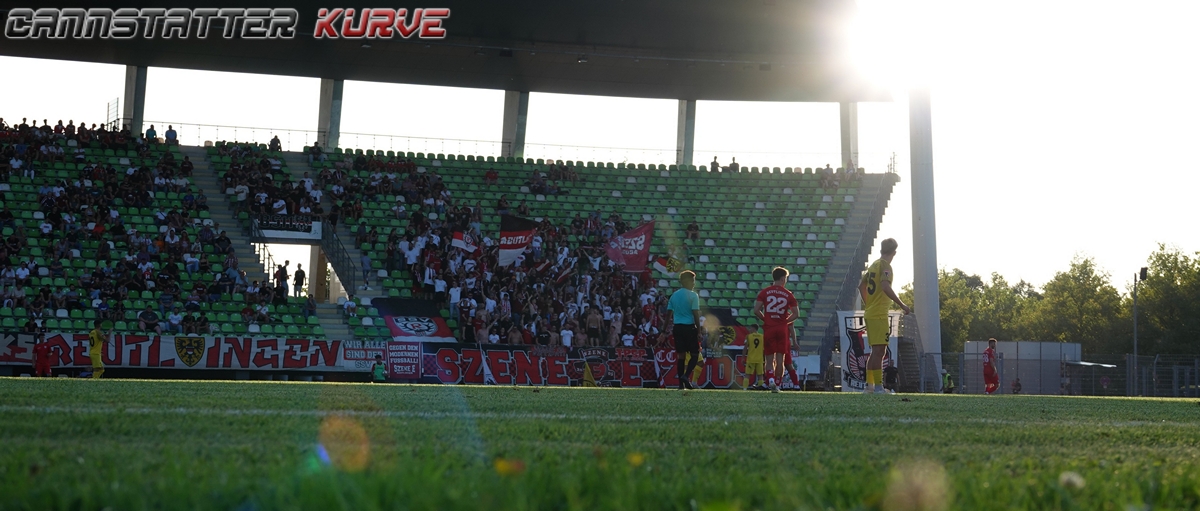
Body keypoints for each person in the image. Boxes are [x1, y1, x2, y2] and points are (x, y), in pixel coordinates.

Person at [858, 238, 911, 395]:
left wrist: (868, 303)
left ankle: (869, 387)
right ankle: (879, 388)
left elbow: (861, 286)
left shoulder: (874, 265)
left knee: (875, 351)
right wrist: (902, 305)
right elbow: (885, 286)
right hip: (879, 314)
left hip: (871, 312)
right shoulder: (886, 266)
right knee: (880, 352)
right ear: (894, 252)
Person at [753, 267, 799, 393]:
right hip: (782, 329)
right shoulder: (789, 294)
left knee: (769, 359)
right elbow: (796, 314)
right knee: (780, 359)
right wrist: (784, 322)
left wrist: (766, 320)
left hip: (769, 328)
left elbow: (756, 310)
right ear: (783, 278)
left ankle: (771, 380)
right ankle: (777, 384)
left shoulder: (765, 292)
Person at [666, 270, 701, 390]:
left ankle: (681, 385)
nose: (693, 283)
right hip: (689, 327)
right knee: (695, 354)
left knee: (681, 356)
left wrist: (663, 331)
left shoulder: (674, 295)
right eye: (692, 281)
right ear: (687, 281)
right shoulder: (693, 295)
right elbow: (696, 314)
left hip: (677, 328)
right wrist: (699, 331)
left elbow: (668, 315)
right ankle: (686, 376)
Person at [743, 323, 765, 390]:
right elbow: (764, 348)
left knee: (747, 374)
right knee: (760, 375)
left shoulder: (748, 336)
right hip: (760, 359)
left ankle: (744, 389)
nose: (749, 330)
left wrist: (743, 357)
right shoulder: (762, 336)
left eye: (750, 328)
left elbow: (745, 347)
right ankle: (761, 389)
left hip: (751, 358)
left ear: (753, 328)